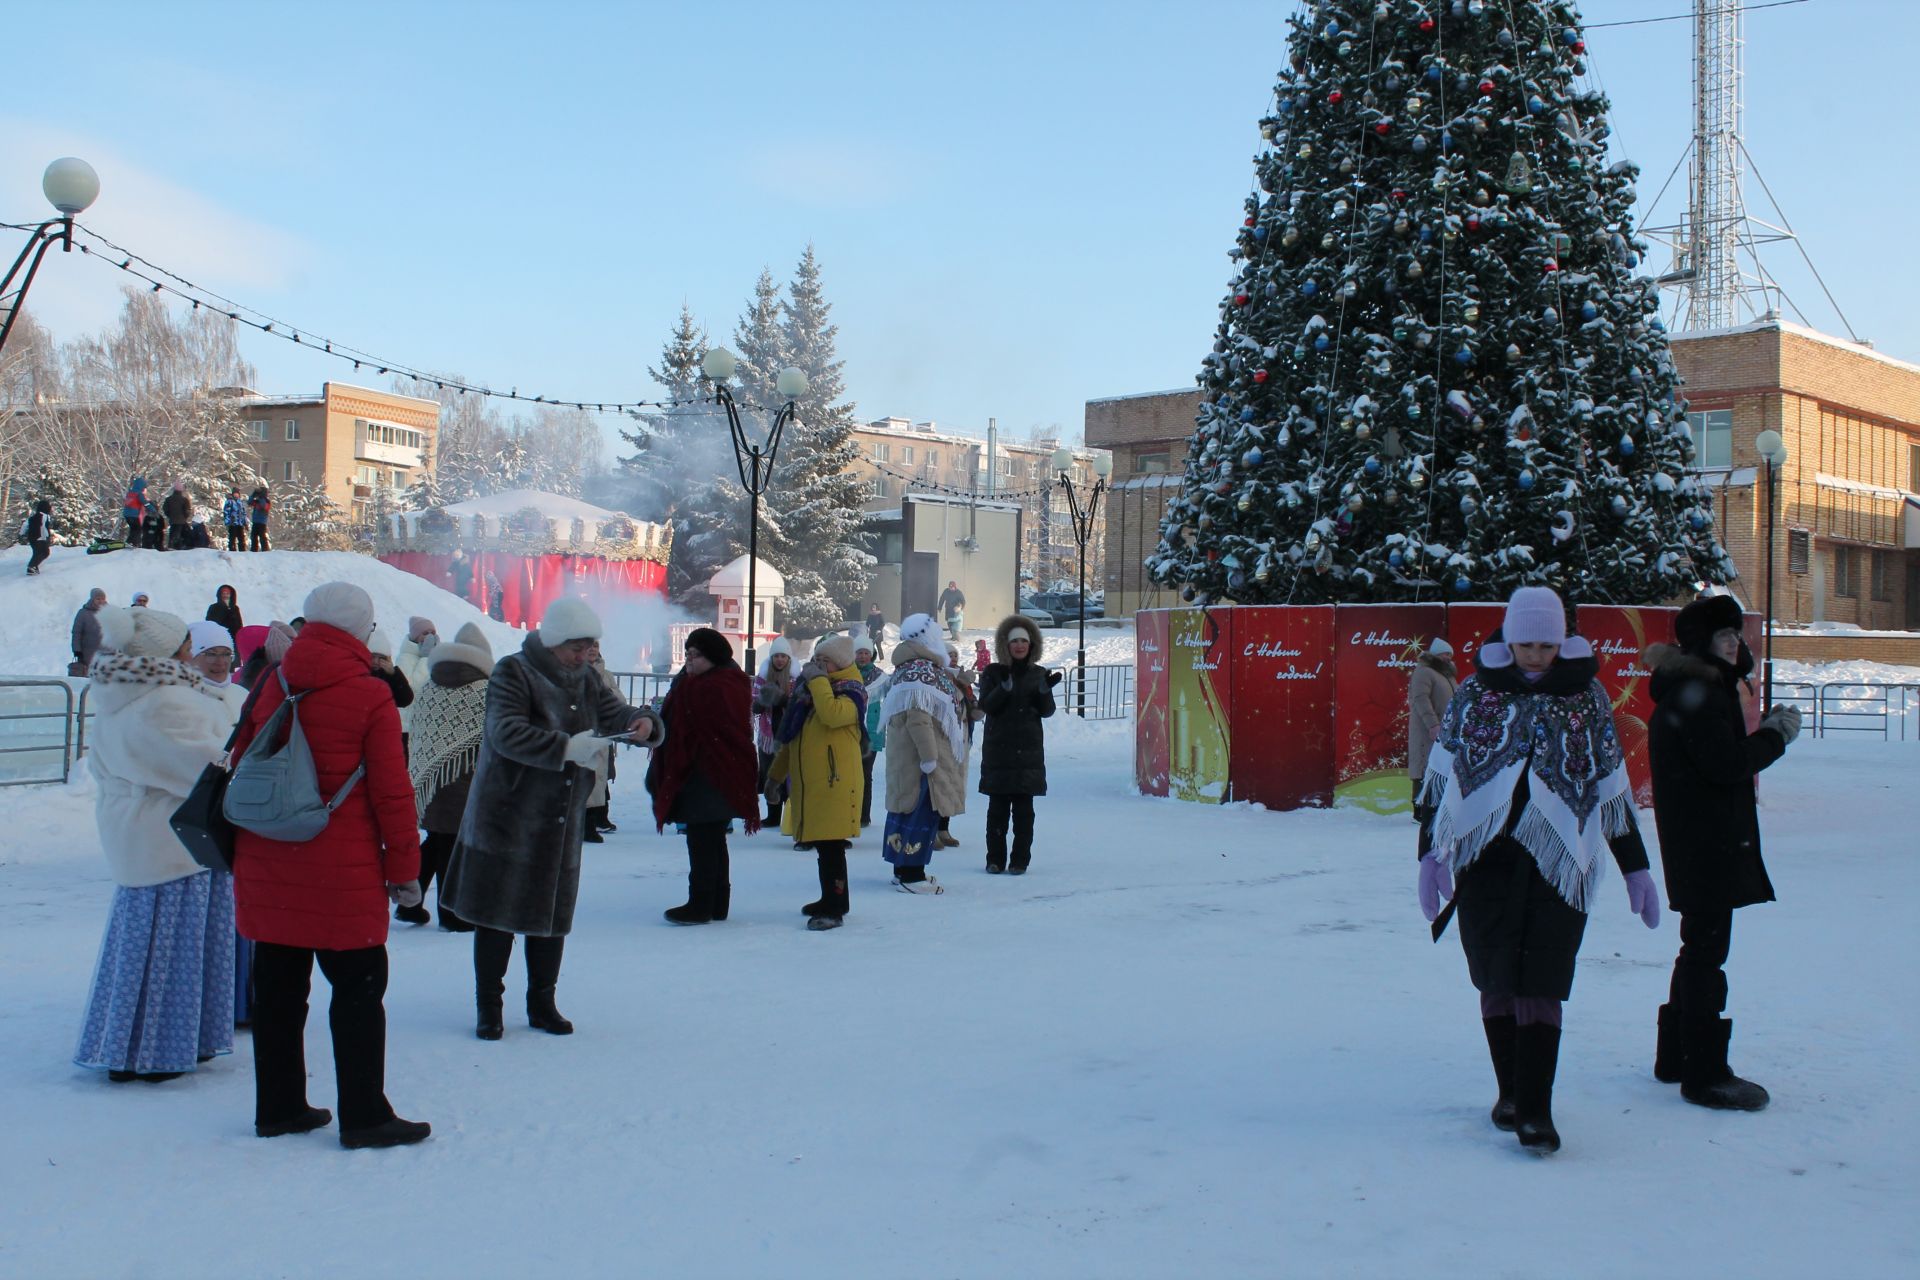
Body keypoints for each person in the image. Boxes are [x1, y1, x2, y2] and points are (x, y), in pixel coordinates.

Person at [1415, 587, 1658, 1156]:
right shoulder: (1475, 694)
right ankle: (1509, 1093)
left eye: (1547, 644)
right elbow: (1441, 780)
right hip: (1487, 860)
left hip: (1560, 862)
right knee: (1496, 979)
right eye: (1525, 643)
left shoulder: (1587, 698)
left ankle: (1536, 1110)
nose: (1535, 655)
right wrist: (1429, 854)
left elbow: (1611, 787)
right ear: (1509, 636)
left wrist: (1636, 869)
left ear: (1562, 640)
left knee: (1543, 981)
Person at [231, 582, 430, 1148]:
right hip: (341, 868)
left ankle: (279, 1106)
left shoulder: (274, 679)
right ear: (359, 631)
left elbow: (243, 757)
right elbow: (393, 793)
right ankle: (365, 1115)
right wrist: (405, 871)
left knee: (277, 992)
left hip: (268, 855)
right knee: (359, 993)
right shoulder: (369, 695)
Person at [439, 598, 662, 1040]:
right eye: (577, 647)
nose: (585, 655)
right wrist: (564, 747)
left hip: (560, 818)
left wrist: (643, 722)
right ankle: (490, 1006)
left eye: (590, 647)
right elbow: (504, 732)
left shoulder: (585, 677)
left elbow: (614, 710)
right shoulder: (513, 671)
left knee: (551, 915)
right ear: (556, 642)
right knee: (497, 916)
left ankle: (542, 1002)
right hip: (508, 812)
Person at [1646, 594, 1801, 1113]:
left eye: (1737, 635)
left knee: (1698, 946)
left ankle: (1676, 1058)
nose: (1734, 643)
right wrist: (1775, 737)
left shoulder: (1697, 687)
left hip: (1700, 840)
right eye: (1723, 636)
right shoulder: (1700, 692)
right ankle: (1704, 1072)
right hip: (1706, 843)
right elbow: (1726, 765)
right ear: (1701, 644)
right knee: (1707, 952)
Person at [74, 606, 235, 1084]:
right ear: (170, 651)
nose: (193, 651)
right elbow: (204, 768)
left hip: (136, 833)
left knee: (139, 948)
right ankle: (158, 1050)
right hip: (172, 837)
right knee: (173, 949)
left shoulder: (119, 696)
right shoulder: (168, 702)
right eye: (187, 643)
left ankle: (128, 1042)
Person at [647, 627, 760, 925]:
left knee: (702, 839)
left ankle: (700, 903)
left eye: (696, 655)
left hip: (710, 771)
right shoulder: (702, 682)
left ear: (712, 656)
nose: (689, 660)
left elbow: (703, 726)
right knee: (711, 839)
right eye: (687, 654)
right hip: (709, 770)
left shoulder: (715, 686)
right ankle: (716, 902)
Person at [765, 634, 867, 931]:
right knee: (823, 846)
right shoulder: (811, 695)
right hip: (814, 784)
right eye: (816, 661)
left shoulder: (852, 692)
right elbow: (792, 738)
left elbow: (832, 715)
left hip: (837, 783)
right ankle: (831, 898)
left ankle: (834, 908)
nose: (817, 667)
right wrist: (775, 776)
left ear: (841, 663)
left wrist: (818, 681)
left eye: (825, 662)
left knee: (832, 846)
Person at [407, 622, 495, 931]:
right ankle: (452, 914)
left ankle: (410, 902)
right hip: (466, 777)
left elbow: (417, 730)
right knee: (453, 845)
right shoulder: (486, 691)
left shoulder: (431, 686)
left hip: (431, 777)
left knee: (437, 840)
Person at [881, 614, 969, 894]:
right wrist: (929, 758)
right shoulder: (921, 671)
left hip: (907, 760)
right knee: (919, 815)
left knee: (904, 811)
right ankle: (912, 874)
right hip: (919, 762)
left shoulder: (909, 667)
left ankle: (902, 869)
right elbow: (918, 717)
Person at [978, 614, 1058, 875]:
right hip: (999, 751)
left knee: (1024, 814)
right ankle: (995, 860)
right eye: (1015, 641)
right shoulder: (992, 672)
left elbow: (1047, 712)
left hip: (1028, 754)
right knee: (997, 813)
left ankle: (1019, 861)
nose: (1020, 645)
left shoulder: (1038, 674)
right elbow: (986, 706)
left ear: (1032, 644)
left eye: (1024, 640)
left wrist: (1045, 691)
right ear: (1006, 645)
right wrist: (1003, 688)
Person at [1406, 636, 1456, 821]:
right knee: (1423, 766)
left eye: (1450, 655)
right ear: (1436, 654)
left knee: (1438, 766)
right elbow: (1421, 699)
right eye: (1446, 654)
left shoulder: (1445, 674)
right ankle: (1419, 809)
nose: (1449, 658)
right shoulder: (1424, 672)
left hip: (1444, 730)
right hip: (1427, 730)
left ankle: (1436, 806)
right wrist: (1433, 724)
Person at [752, 638, 796, 830]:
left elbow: (799, 704)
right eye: (776, 656)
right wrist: (765, 700)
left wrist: (783, 699)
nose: (780, 660)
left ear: (788, 658)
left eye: (783, 656)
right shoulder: (762, 678)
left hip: (789, 733)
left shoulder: (795, 678)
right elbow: (755, 707)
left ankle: (790, 815)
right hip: (768, 734)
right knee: (770, 774)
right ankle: (773, 815)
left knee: (789, 774)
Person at [186, 620, 248, 725]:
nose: (221, 662)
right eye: (211, 654)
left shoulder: (242, 694)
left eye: (226, 654)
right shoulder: (180, 701)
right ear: (191, 657)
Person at [855, 635, 886, 829]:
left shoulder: (880, 677)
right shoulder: (847, 674)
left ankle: (863, 816)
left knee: (866, 774)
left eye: (866, 653)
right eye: (859, 653)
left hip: (872, 731)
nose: (863, 656)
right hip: (851, 729)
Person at [72, 588, 108, 673]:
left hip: (107, 652)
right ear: (92, 599)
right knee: (89, 675)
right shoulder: (83, 613)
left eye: (102, 599)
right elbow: (76, 632)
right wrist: (77, 649)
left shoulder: (109, 612)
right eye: (98, 599)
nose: (100, 601)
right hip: (88, 653)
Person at [23, 499, 54, 575]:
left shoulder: (34, 516)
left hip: (32, 538)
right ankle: (31, 567)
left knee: (37, 553)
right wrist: (46, 537)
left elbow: (25, 525)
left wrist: (22, 534)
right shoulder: (44, 516)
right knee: (45, 552)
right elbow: (43, 527)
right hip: (40, 538)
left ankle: (34, 567)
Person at [162, 481, 193, 551]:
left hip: (172, 519)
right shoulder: (184, 500)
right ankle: (179, 546)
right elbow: (187, 510)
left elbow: (165, 509)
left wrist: (169, 515)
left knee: (173, 532)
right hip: (182, 520)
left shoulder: (169, 499)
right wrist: (185, 517)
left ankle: (172, 546)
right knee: (181, 533)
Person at [121, 477, 147, 544]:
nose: (144, 488)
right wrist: (152, 510)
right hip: (134, 515)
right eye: (144, 486)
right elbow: (145, 503)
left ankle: (130, 542)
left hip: (126, 514)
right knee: (138, 529)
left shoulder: (130, 492)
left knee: (133, 529)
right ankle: (135, 543)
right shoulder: (139, 494)